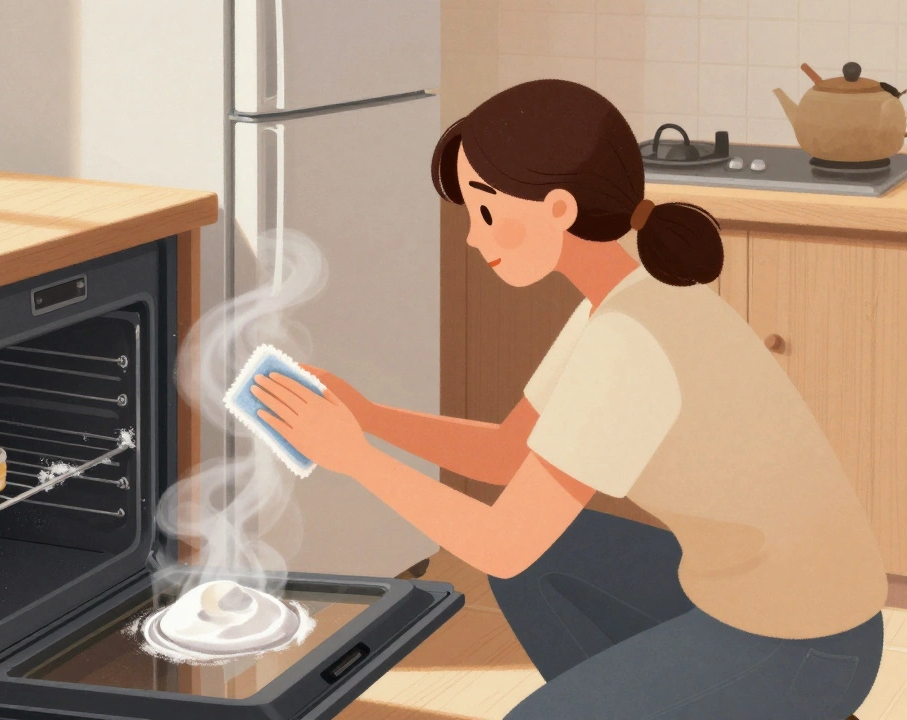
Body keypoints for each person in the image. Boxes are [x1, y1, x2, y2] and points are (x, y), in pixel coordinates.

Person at [250, 79, 886, 719]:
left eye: (487, 212)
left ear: (557, 207)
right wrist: (371, 417)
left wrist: (355, 456)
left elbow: (504, 541)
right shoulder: (625, 294)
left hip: (806, 644)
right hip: (755, 596)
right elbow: (507, 454)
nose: (473, 237)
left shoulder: (628, 340)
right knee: (543, 561)